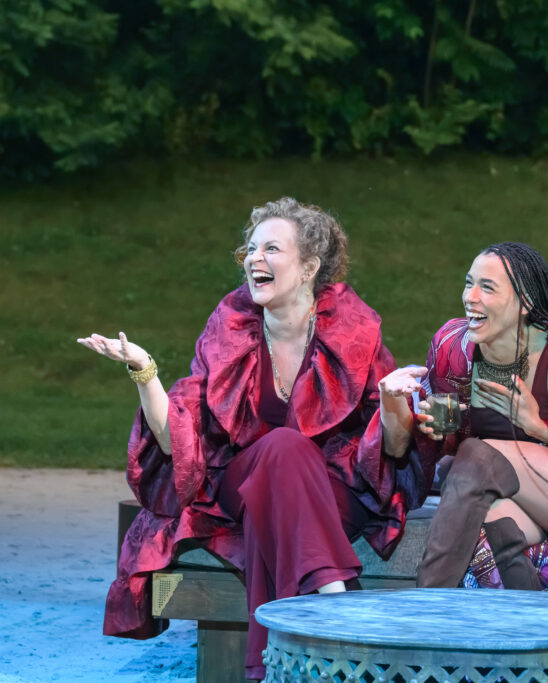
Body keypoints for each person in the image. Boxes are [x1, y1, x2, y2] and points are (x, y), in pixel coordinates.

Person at [79, 198, 424, 681]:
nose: (254, 259)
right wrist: (143, 370)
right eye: (251, 248)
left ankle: (265, 670)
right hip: (238, 481)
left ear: (308, 267)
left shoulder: (353, 329)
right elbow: (175, 433)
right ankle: (335, 605)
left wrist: (392, 404)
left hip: (332, 488)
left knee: (277, 491)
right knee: (281, 449)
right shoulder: (231, 323)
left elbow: (392, 448)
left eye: (271, 248)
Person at [375, 242, 548, 591]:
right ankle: (531, 630)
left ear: (524, 303)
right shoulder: (453, 347)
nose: (470, 297)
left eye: (487, 288)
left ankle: (426, 602)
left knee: (476, 456)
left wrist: (540, 428)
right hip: (495, 490)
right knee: (493, 527)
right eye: (468, 283)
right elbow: (425, 445)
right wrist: (402, 409)